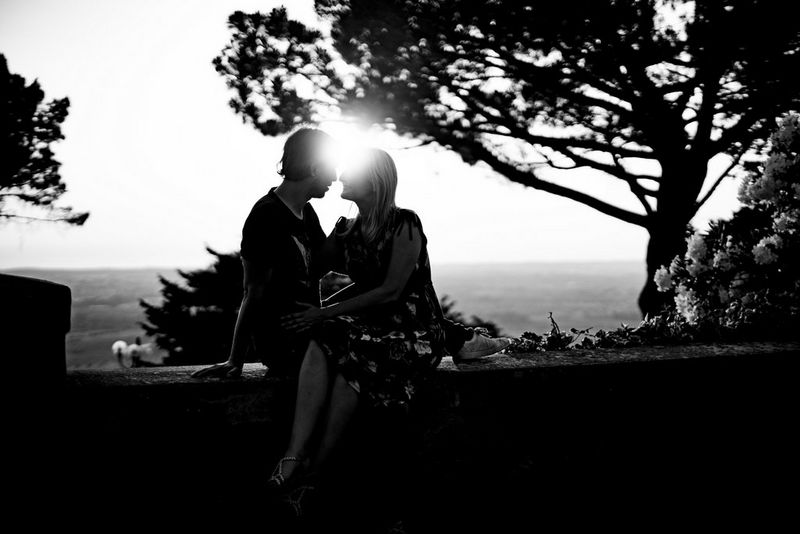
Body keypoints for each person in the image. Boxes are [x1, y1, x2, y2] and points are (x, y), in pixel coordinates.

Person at [192, 128, 509, 381]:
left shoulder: (307, 214)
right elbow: (253, 291)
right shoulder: (265, 217)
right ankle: (457, 339)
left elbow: (330, 272)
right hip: (290, 338)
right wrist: (236, 359)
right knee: (381, 343)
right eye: (332, 168)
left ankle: (454, 337)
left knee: (386, 299)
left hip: (314, 326)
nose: (336, 177)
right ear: (315, 167)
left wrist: (331, 306)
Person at [264, 148, 478, 517]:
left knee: (349, 352)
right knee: (328, 336)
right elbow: (313, 265)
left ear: (375, 181)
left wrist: (323, 311)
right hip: (373, 328)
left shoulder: (405, 223)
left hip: (416, 332)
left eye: (353, 171)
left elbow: (390, 290)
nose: (343, 175)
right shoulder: (348, 231)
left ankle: (314, 471)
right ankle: (294, 455)